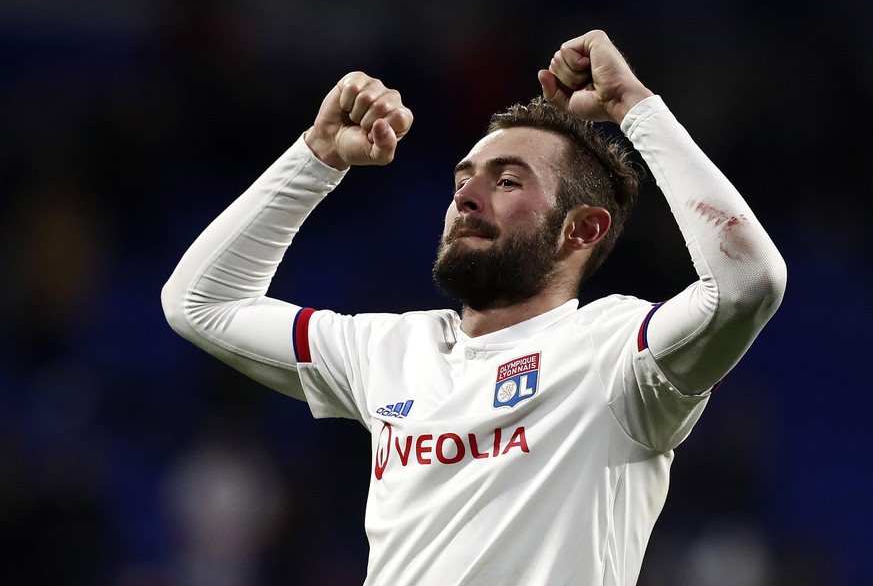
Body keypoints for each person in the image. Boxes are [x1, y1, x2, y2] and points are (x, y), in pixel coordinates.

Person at [162, 29, 786, 586]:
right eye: (463, 178)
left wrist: (635, 110)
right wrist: (317, 156)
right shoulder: (388, 350)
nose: (466, 196)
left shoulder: (616, 355)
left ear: (583, 229)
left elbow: (748, 281)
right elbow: (199, 302)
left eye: (507, 180)